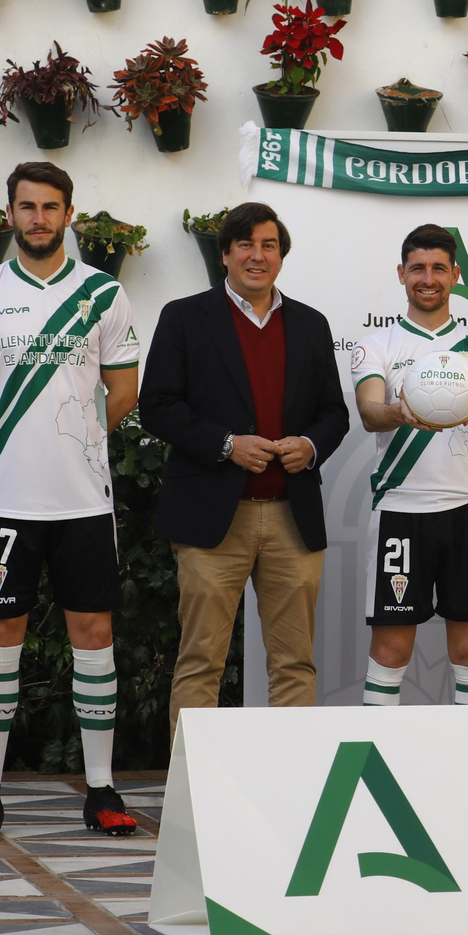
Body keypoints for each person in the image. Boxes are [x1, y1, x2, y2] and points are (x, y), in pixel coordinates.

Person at [0, 162, 140, 838]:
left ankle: (101, 788)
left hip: (83, 502)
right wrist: (1, 448)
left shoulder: (104, 294)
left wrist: (74, 443)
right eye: (27, 206)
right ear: (10, 214)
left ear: (68, 215)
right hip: (4, 501)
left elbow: (124, 391)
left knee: (95, 638)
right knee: (1, 638)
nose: (38, 218)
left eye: (51, 207)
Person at [140, 202, 350, 739]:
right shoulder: (184, 316)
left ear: (281, 255)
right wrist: (227, 445)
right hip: (213, 516)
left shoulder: (310, 324)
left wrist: (310, 444)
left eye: (269, 245)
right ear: (226, 254)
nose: (258, 256)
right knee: (201, 660)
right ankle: (190, 782)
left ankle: (293, 778)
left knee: (295, 662)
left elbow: (334, 413)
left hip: (291, 516)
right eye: (246, 245)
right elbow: (157, 405)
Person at [349, 224, 468, 705]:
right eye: (417, 268)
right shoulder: (376, 345)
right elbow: (369, 412)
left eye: (439, 268)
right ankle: (380, 749)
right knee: (390, 650)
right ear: (401, 274)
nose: (428, 278)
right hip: (400, 509)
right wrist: (399, 412)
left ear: (455, 276)